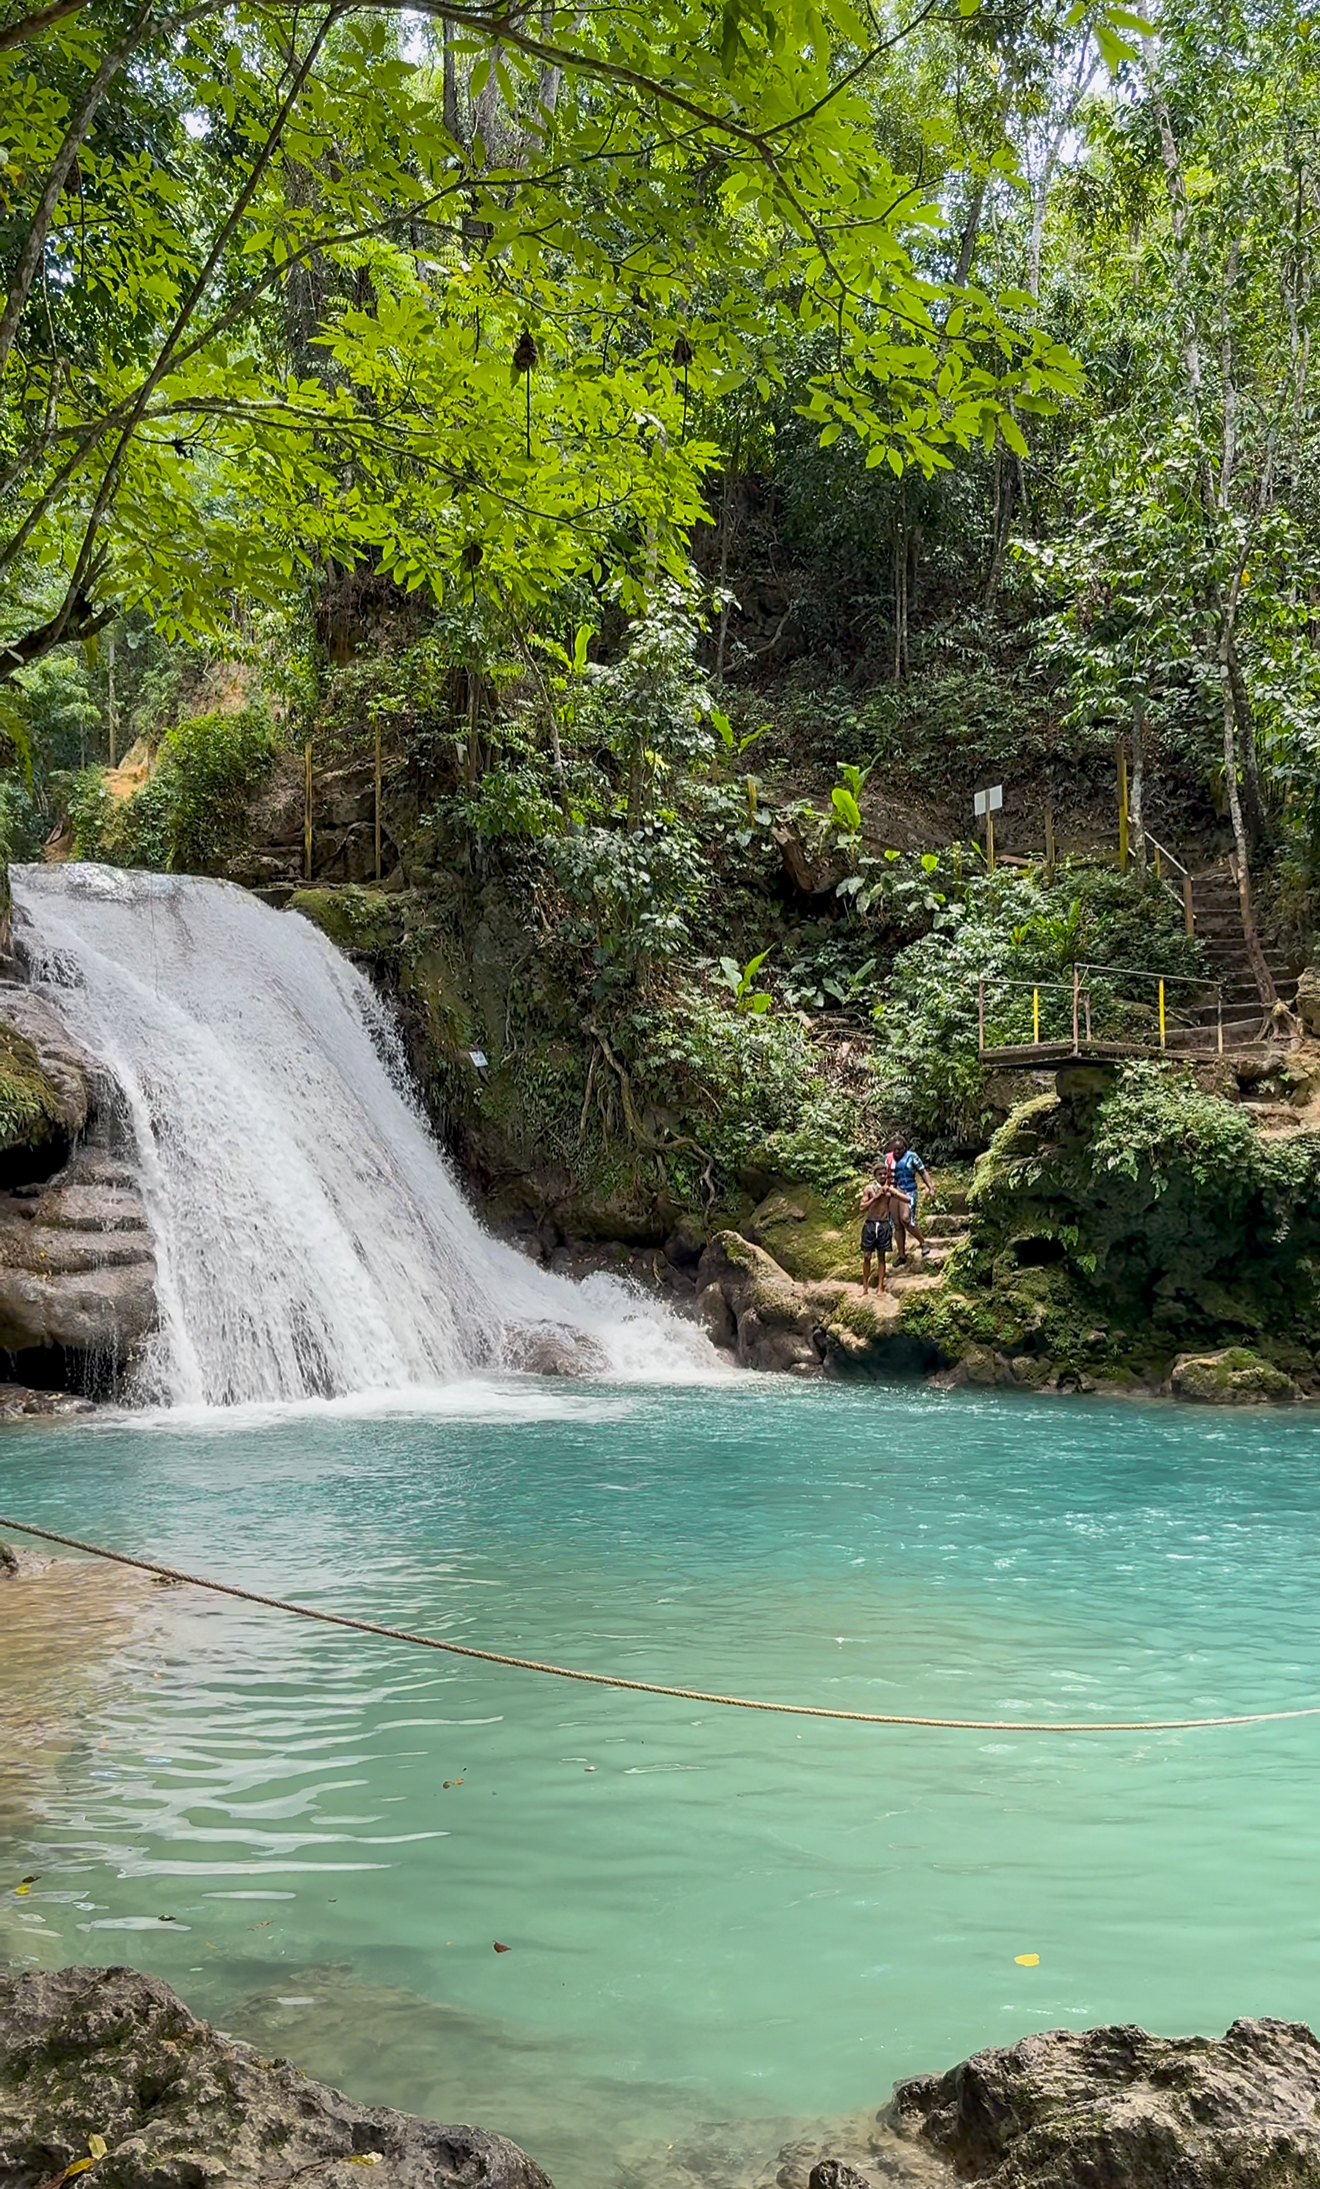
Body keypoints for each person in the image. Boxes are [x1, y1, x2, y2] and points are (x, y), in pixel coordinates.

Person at [886, 1136, 935, 1263]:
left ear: (905, 1148)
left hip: (909, 1191)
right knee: (897, 1224)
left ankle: (922, 1243)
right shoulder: (889, 1159)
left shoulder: (912, 1156)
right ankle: (902, 1255)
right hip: (893, 1191)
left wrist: (930, 1188)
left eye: (900, 1149)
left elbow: (922, 1172)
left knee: (906, 1219)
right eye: (895, 1149)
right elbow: (882, 1173)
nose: (897, 1152)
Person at [859, 1162, 896, 1293]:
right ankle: (865, 1287)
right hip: (870, 1224)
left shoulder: (889, 1189)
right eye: (880, 1174)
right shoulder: (869, 1189)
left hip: (884, 1224)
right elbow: (862, 1208)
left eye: (884, 1174)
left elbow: (901, 1198)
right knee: (867, 1256)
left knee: (881, 1256)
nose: (882, 1176)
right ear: (875, 1175)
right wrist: (875, 1197)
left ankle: (880, 1287)